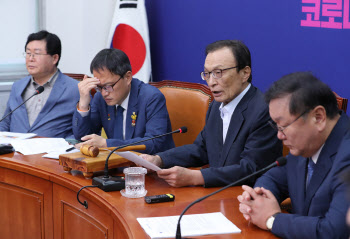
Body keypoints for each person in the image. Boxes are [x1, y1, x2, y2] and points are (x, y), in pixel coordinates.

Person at [141, 40, 282, 187]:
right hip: (217, 194)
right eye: (207, 74)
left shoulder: (263, 110)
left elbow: (251, 169)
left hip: (246, 198)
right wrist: (159, 160)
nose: (211, 82)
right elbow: (201, 149)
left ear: (245, 73)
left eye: (218, 73)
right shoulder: (216, 105)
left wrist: (197, 177)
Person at [237, 72, 350, 239]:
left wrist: (271, 220)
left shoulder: (346, 154)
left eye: (283, 127)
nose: (279, 136)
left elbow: (334, 232)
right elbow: (274, 178)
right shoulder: (307, 143)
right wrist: (257, 199)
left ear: (318, 117)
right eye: (276, 127)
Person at [72, 48, 174, 154]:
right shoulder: (100, 98)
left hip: (149, 167)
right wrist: (83, 104)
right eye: (99, 87)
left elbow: (154, 143)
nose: (104, 93)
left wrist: (107, 144)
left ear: (127, 77)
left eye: (108, 86)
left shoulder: (151, 98)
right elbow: (83, 138)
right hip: (114, 165)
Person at [0, 30, 79, 138]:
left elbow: (84, 132)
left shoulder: (75, 89)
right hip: (15, 152)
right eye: (28, 53)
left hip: (53, 153)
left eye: (37, 53)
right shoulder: (17, 87)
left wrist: (64, 147)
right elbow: (5, 123)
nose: (31, 59)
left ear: (54, 58)